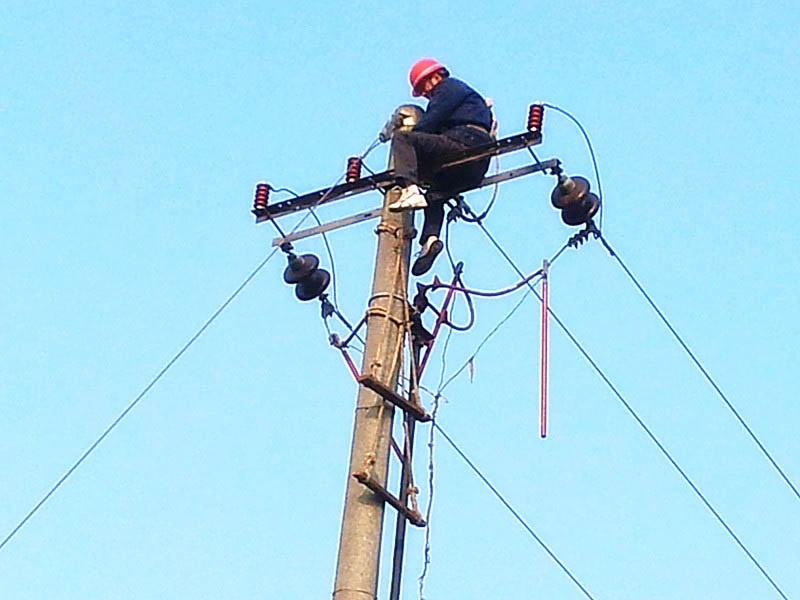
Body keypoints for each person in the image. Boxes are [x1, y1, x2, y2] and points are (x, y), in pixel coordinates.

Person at [388, 58, 494, 276]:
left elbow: (431, 121)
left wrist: (413, 136)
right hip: (474, 166)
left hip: (464, 142)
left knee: (403, 140)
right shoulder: (469, 101)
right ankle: (430, 239)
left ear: (435, 77)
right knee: (434, 194)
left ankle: (410, 190)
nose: (426, 94)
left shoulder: (448, 87)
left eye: (424, 88)